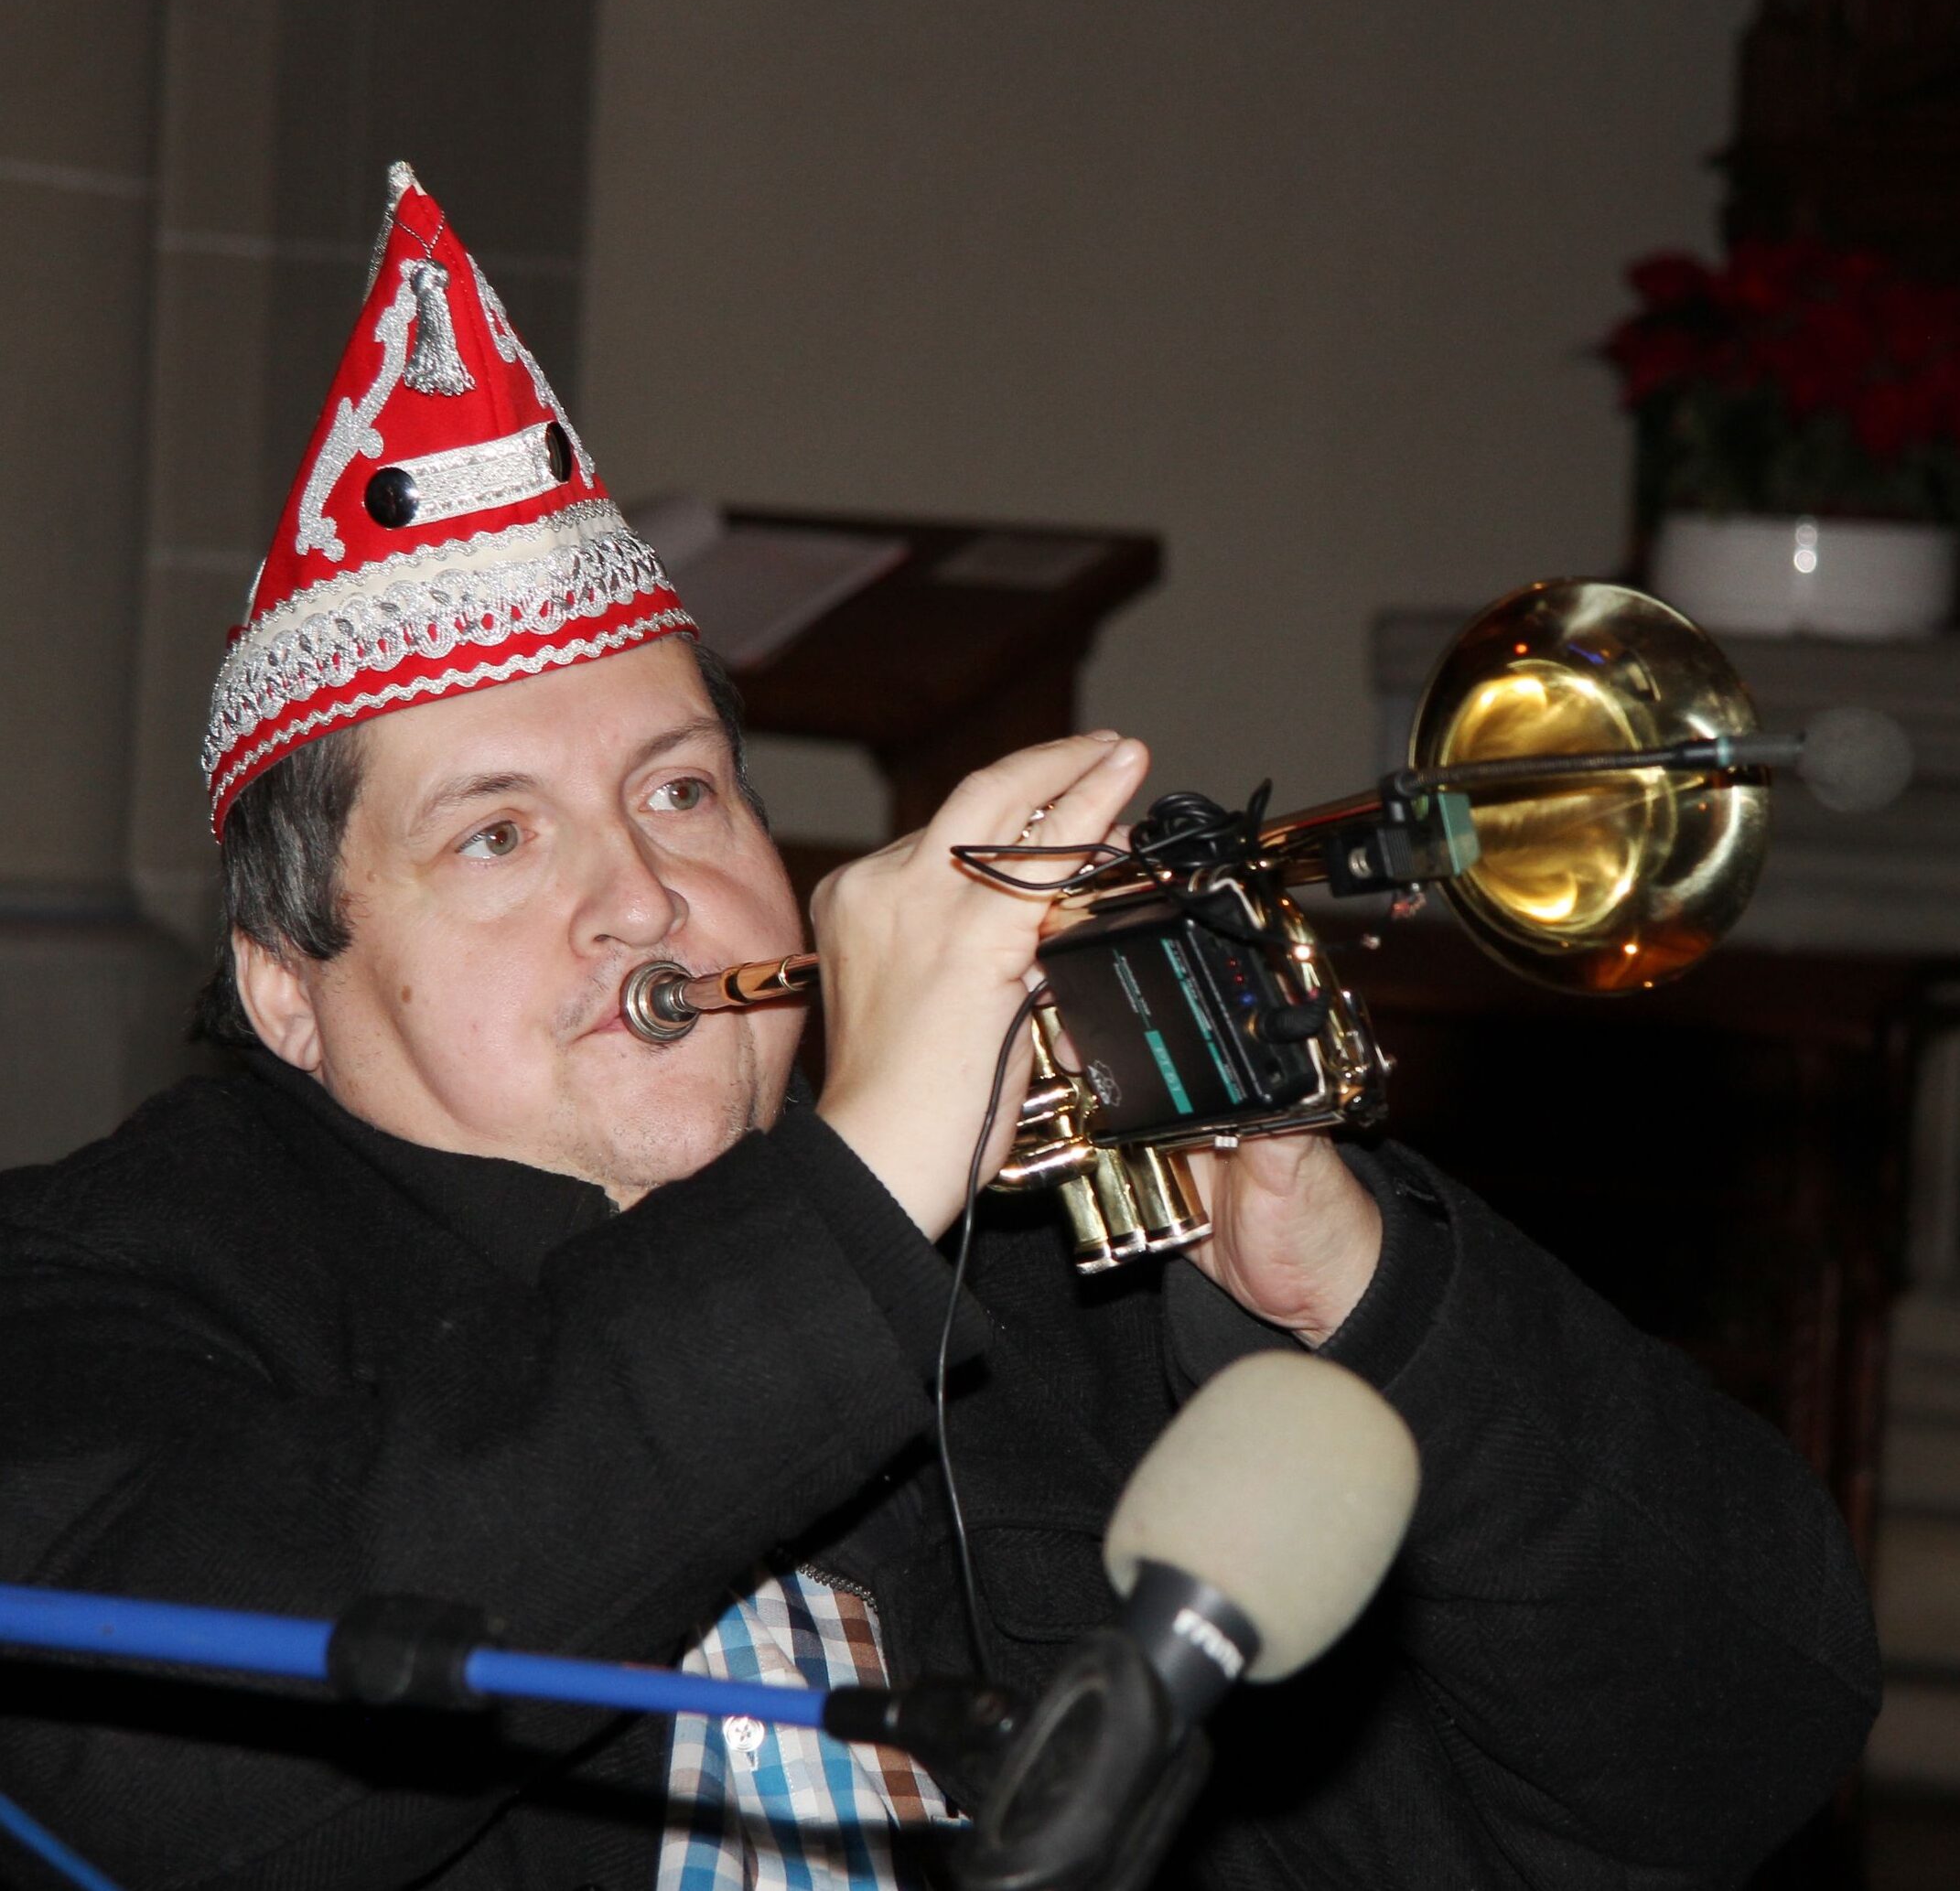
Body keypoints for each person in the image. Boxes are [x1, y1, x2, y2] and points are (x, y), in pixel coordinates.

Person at [0, 167, 1878, 1891]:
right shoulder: (109, 1278)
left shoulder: (1072, 1277)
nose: (643, 895)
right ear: (287, 984)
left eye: (682, 792)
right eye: (498, 833)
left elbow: (1744, 1749)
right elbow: (147, 1775)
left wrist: (1366, 1296)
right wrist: (848, 1201)